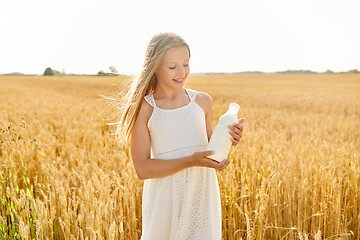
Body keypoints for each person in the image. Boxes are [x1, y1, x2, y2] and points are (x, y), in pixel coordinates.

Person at [116, 32, 245, 240]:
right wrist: (191, 160)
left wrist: (230, 139)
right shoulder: (144, 109)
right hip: (165, 197)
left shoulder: (202, 101)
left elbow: (212, 151)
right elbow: (142, 169)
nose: (182, 72)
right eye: (172, 66)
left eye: (186, 64)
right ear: (155, 66)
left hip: (201, 193)